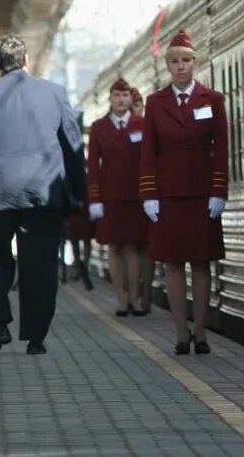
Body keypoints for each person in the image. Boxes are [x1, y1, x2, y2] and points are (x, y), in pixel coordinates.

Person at [0, 34, 86, 355]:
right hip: (42, 194)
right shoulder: (54, 93)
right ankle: (36, 338)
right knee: (40, 265)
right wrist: (78, 191)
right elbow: (73, 145)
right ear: (25, 61)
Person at [139, 30, 228, 354]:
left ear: (195, 63)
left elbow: (221, 150)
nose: (180, 67)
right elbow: (149, 151)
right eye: (175, 62)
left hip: (203, 195)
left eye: (186, 61)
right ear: (168, 66)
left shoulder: (213, 100)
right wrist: (149, 194)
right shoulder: (155, 103)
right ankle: (180, 332)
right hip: (168, 195)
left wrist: (219, 191)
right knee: (173, 264)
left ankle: (201, 332)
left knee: (202, 263)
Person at [88, 78, 150, 316]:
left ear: (130, 99)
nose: (121, 100)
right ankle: (121, 299)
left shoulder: (142, 124)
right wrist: (94, 198)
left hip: (136, 195)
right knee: (115, 247)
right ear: (110, 99)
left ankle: (134, 297)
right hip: (110, 196)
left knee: (133, 247)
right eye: (116, 96)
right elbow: (93, 164)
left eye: (125, 96)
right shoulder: (99, 127)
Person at [130, 86, 154, 314]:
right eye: (133, 106)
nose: (136, 110)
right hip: (130, 196)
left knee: (148, 249)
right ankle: (133, 296)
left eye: (139, 105)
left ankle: (145, 295)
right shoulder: (126, 128)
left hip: (147, 194)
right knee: (132, 248)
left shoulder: (148, 125)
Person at [64, 196, 95, 291]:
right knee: (83, 241)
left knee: (79, 241)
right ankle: (82, 267)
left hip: (79, 205)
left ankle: (81, 267)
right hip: (79, 206)